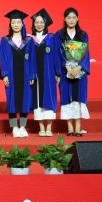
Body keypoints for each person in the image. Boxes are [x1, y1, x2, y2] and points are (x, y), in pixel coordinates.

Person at [0, 9, 36, 138]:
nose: (16, 25)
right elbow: (3, 58)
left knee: (26, 100)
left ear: (22, 24)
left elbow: (32, 59)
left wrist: (32, 75)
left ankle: (23, 126)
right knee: (12, 101)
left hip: (26, 74)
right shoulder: (5, 40)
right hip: (11, 75)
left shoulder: (29, 41)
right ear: (10, 24)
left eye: (18, 22)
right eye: (13, 22)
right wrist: (4, 74)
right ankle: (14, 127)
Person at [57, 7, 91, 136]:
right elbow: (58, 53)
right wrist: (67, 66)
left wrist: (79, 67)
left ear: (77, 19)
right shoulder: (59, 35)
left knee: (78, 98)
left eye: (74, 17)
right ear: (65, 19)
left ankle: (78, 127)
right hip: (65, 71)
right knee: (66, 98)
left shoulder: (83, 35)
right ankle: (70, 128)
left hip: (79, 72)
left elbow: (86, 53)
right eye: (69, 18)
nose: (71, 20)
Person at [30, 8, 60, 137]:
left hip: (49, 73)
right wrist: (30, 74)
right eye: (37, 22)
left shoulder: (52, 38)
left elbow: (57, 56)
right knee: (37, 100)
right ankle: (41, 127)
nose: (39, 24)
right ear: (33, 24)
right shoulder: (29, 39)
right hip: (36, 74)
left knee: (49, 98)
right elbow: (28, 59)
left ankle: (49, 127)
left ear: (46, 24)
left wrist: (58, 73)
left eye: (42, 22)